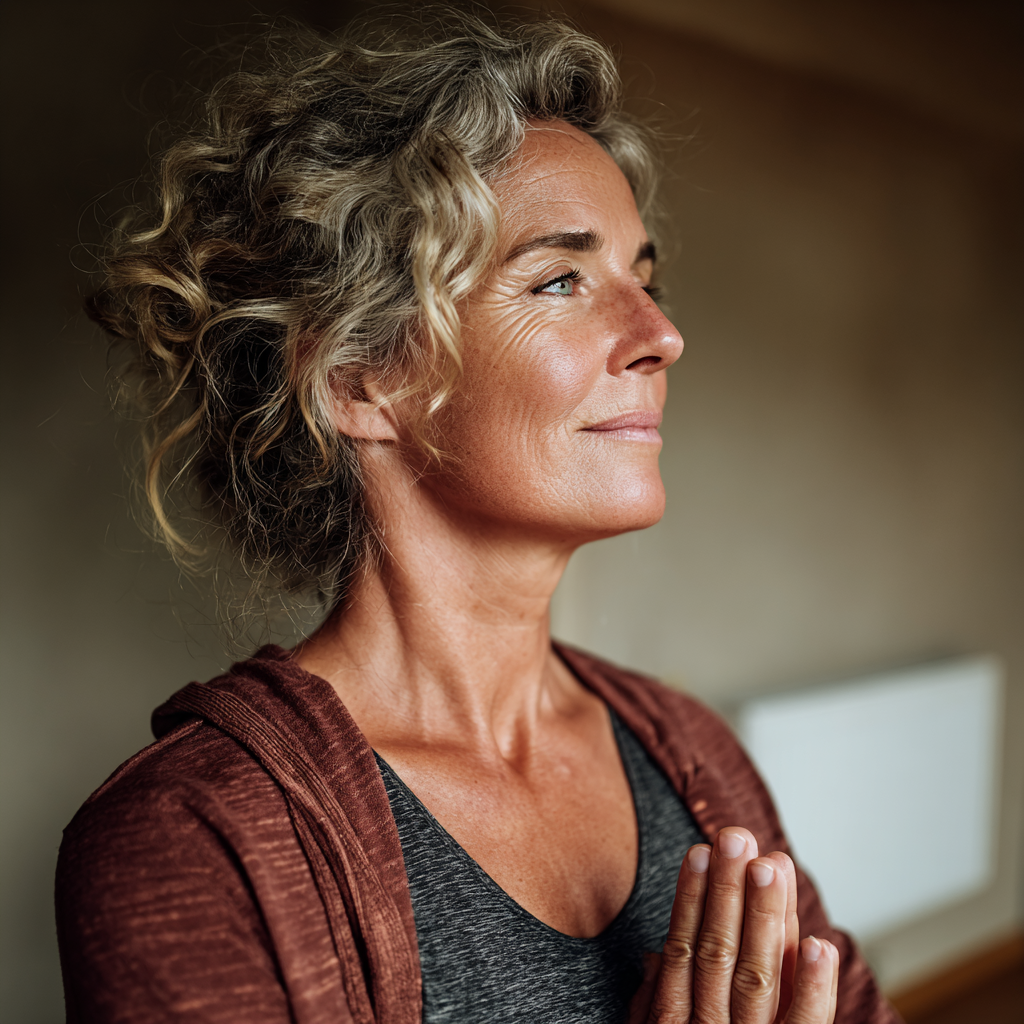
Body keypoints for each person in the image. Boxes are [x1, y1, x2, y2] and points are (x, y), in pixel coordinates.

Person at [56, 10, 899, 1024]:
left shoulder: (691, 752)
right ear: (360, 378)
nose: (662, 335)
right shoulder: (191, 837)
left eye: (645, 278)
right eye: (559, 279)